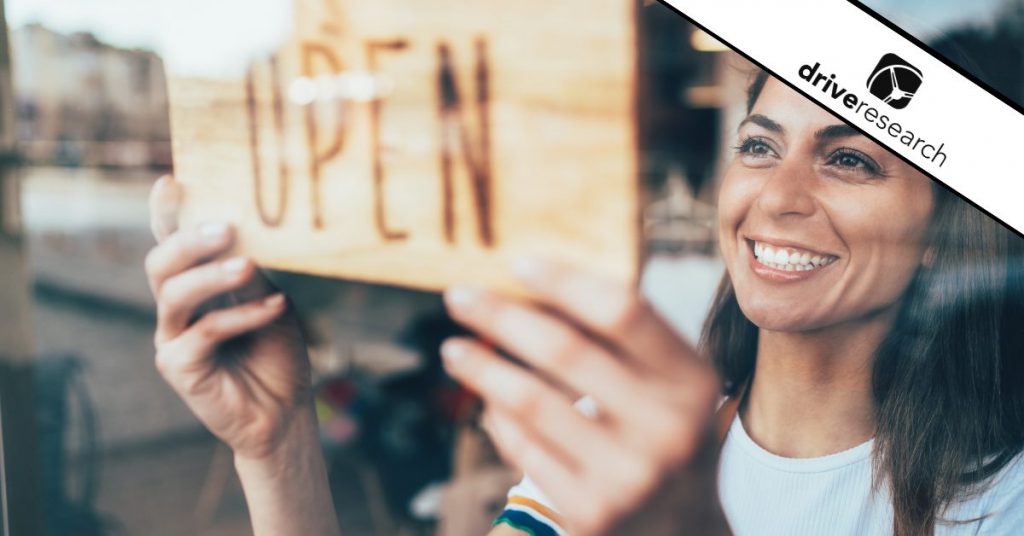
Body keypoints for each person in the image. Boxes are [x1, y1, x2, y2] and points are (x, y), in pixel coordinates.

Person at [144, 71, 1024, 536]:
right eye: (760, 146)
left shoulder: (1000, 504)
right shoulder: (613, 438)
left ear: (948, 226)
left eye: (849, 159)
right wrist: (279, 444)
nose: (777, 196)